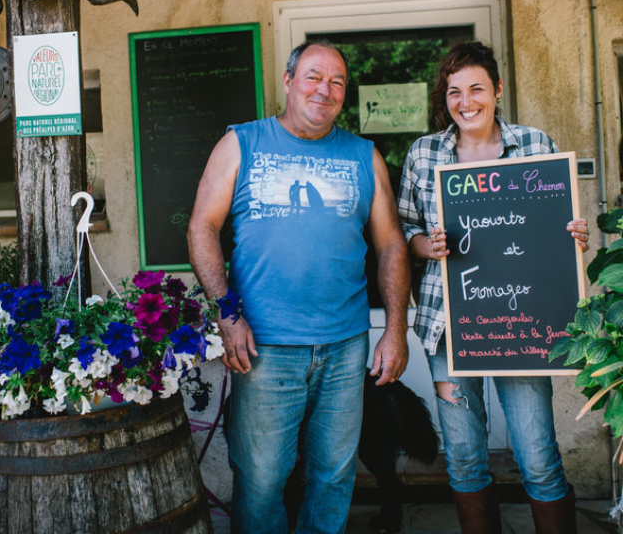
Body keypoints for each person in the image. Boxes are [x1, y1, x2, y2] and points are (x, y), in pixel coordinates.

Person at [187, 39, 410, 534]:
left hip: (345, 345)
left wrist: (396, 328)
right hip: (265, 346)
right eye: (313, 76)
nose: (324, 90)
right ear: (288, 82)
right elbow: (201, 226)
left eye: (336, 82)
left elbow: (391, 244)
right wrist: (227, 313)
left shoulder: (363, 156)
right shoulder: (242, 143)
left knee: (333, 476)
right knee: (263, 479)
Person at [397, 41, 589, 534]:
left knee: (537, 455)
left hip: (522, 325)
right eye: (454, 91)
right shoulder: (424, 154)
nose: (466, 101)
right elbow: (404, 235)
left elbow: (554, 228)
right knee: (462, 456)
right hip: (448, 328)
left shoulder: (534, 145)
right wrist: (428, 246)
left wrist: (574, 237)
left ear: (497, 91)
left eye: (477, 88)